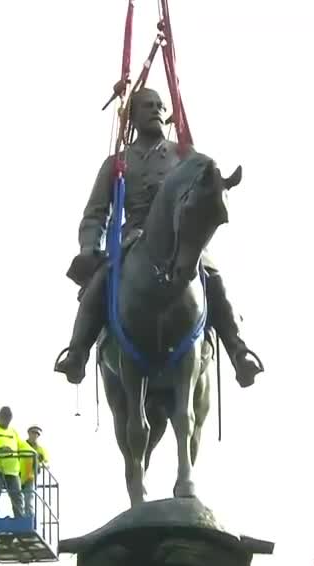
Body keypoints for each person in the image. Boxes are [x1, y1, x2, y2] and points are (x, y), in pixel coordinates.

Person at [52, 87, 264, 388]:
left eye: (160, 106)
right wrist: (89, 246)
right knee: (98, 284)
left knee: (215, 280)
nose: (155, 110)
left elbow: (208, 191)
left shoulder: (187, 157)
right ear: (133, 117)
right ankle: (77, 353)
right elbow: (95, 212)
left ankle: (239, 352)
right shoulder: (117, 162)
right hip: (133, 240)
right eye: (147, 106)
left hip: (182, 241)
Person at [20, 425, 50, 518]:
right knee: (16, 498)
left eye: (37, 434)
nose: (35, 435)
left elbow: (47, 463)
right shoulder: (21, 446)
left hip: (30, 476)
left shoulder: (41, 449)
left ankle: (29, 517)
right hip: (18, 474)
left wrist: (40, 465)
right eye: (33, 433)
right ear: (29, 433)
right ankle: (19, 517)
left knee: (28, 498)